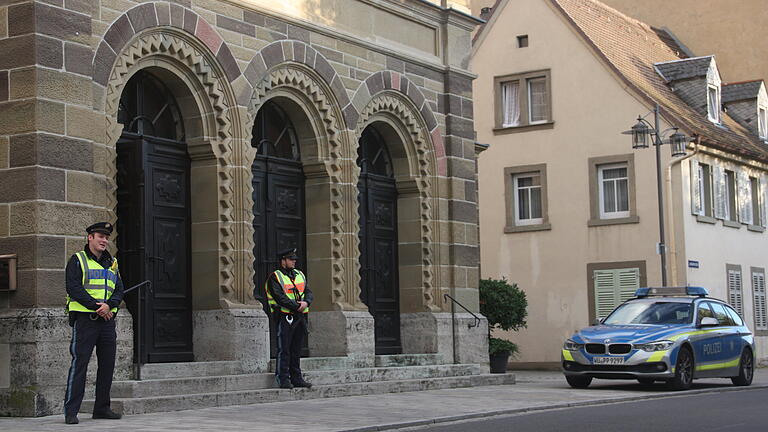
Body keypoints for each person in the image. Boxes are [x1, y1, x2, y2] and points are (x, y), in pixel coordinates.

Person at [63, 222, 124, 424]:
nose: (104, 240)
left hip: (106, 322)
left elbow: (118, 290)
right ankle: (71, 411)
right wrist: (96, 306)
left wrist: (109, 307)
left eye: (107, 237)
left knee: (107, 366)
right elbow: (73, 288)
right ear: (90, 237)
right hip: (85, 321)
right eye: (100, 236)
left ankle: (102, 408)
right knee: (79, 365)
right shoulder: (77, 260)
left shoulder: (113, 263)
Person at [265, 247, 313, 389]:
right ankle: (283, 378)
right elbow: (279, 297)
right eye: (291, 259)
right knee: (284, 348)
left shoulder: (300, 275)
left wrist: (306, 302)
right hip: (285, 316)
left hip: (299, 317)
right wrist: (297, 306)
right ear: (283, 261)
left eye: (294, 259)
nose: (294, 261)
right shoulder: (275, 277)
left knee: (296, 349)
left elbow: (308, 292)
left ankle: (297, 378)